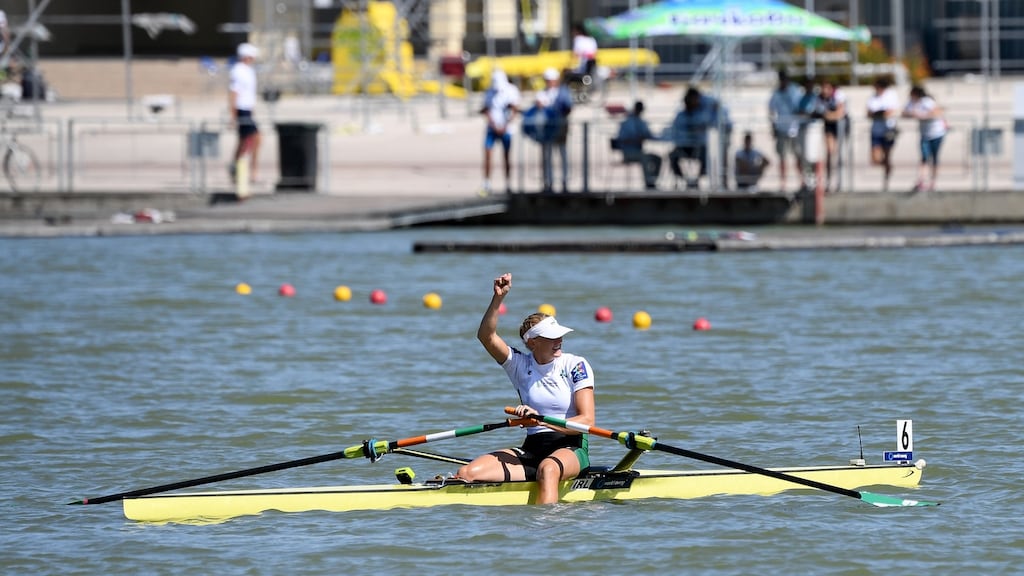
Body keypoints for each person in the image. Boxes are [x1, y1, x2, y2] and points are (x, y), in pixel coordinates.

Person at [456, 273, 595, 505]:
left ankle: (546, 528)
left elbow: (587, 420)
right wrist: (498, 298)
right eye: (551, 337)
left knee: (548, 469)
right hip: (532, 449)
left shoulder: (575, 365)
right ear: (533, 343)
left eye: (559, 334)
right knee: (467, 473)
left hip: (571, 447)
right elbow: (486, 336)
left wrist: (540, 420)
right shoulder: (520, 365)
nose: (559, 339)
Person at [481, 68, 520, 195]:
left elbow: (514, 109)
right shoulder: (489, 92)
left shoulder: (511, 90)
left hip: (506, 129)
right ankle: (486, 183)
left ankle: (508, 184)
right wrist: (493, 124)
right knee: (487, 154)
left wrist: (506, 125)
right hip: (492, 129)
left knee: (506, 156)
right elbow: (486, 109)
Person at [902, 85, 947, 193]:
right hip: (925, 134)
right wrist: (912, 114)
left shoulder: (927, 101)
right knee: (924, 157)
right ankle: (921, 180)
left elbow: (937, 112)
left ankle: (933, 182)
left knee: (935, 158)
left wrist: (923, 115)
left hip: (936, 133)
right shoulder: (912, 103)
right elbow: (904, 112)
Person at [536, 68, 573, 193]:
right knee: (547, 155)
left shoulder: (563, 92)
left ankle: (565, 180)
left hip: (560, 127)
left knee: (562, 153)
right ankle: (548, 181)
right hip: (547, 128)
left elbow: (568, 107)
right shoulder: (542, 93)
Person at [767, 69, 805, 192]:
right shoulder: (776, 93)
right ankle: (783, 183)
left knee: (798, 157)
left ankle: (802, 181)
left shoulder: (795, 91)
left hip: (795, 129)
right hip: (781, 129)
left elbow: (801, 107)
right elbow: (771, 110)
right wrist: (773, 126)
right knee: (782, 158)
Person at [229, 42, 261, 184]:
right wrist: (233, 115)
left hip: (247, 109)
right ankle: (249, 171)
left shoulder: (248, 70)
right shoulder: (238, 70)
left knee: (245, 141)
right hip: (241, 109)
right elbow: (234, 94)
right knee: (255, 139)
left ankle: (238, 169)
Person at [668, 87, 711, 190]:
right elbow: (675, 130)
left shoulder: (701, 114)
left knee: (706, 155)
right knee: (672, 156)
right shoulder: (680, 115)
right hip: (683, 147)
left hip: (698, 147)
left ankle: (697, 180)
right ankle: (682, 179)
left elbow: (705, 126)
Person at [615, 100, 662, 189]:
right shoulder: (627, 122)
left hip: (639, 152)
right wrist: (635, 140)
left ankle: (653, 180)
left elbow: (648, 135)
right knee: (645, 158)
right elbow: (621, 140)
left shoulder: (641, 122)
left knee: (658, 158)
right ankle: (648, 183)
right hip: (628, 153)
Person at [866, 76, 900, 192]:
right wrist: (877, 114)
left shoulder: (890, 95)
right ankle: (887, 166)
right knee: (875, 158)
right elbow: (868, 112)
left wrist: (881, 114)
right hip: (876, 130)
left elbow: (891, 111)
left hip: (888, 129)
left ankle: (886, 182)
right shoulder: (873, 97)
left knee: (887, 154)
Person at [819, 80, 850, 192]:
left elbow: (839, 113)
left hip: (841, 126)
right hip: (830, 126)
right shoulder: (820, 97)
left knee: (839, 154)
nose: (824, 91)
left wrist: (828, 115)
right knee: (829, 152)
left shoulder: (839, 95)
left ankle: (839, 182)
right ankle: (828, 181)